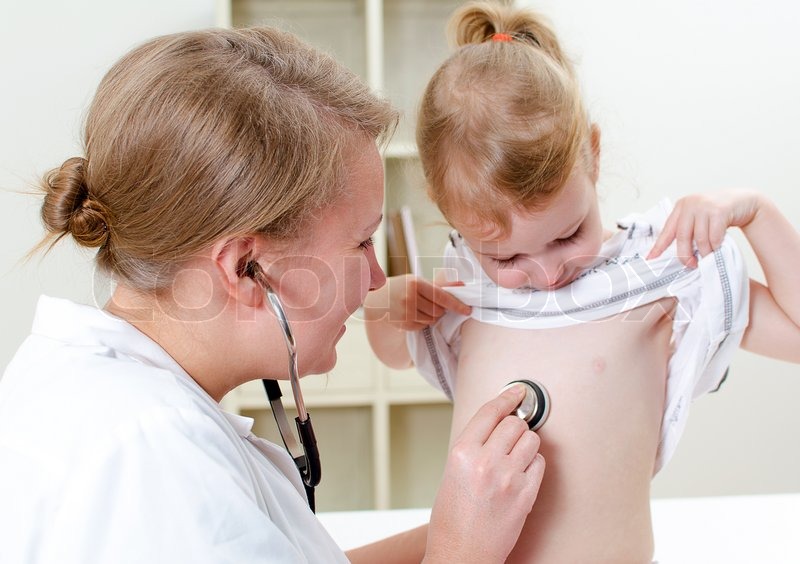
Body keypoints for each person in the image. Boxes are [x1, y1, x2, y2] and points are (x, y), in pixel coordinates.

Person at [0, 26, 547, 564]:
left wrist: (456, 528)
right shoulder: (151, 465)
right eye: (360, 242)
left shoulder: (90, 390)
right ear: (243, 268)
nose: (378, 278)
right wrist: (461, 554)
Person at [364, 1, 800, 562]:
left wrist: (756, 212)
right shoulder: (466, 284)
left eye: (569, 235)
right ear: (452, 217)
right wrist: (385, 307)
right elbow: (394, 355)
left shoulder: (664, 271)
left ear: (592, 157)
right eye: (507, 256)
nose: (546, 274)